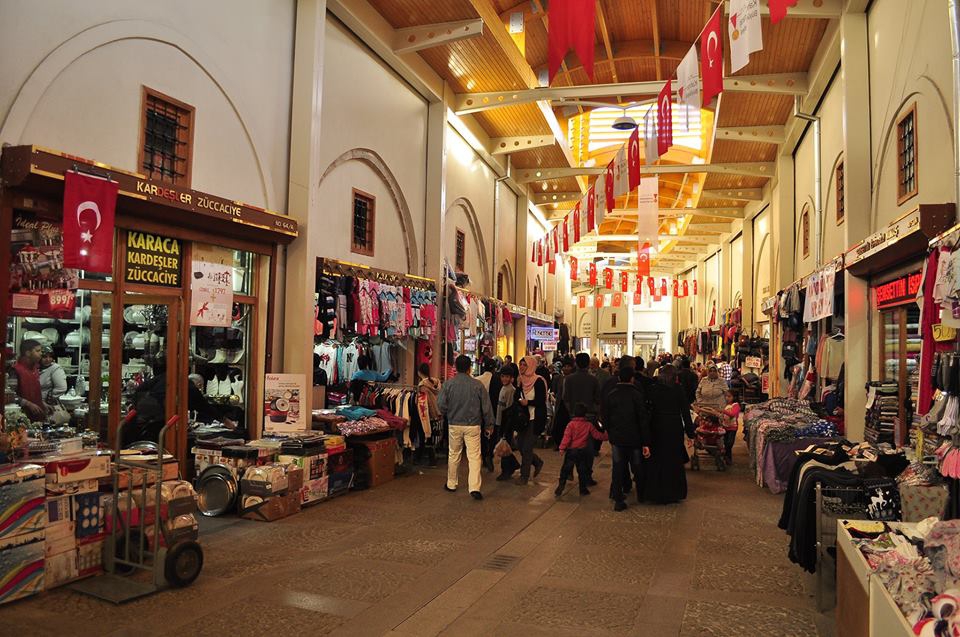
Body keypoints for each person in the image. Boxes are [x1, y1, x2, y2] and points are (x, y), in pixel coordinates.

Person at [438, 355, 494, 500]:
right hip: (473, 425)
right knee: (474, 456)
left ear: (455, 367)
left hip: (454, 424)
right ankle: (474, 487)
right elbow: (486, 407)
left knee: (454, 454)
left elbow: (441, 405)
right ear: (470, 368)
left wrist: (447, 413)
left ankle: (451, 483)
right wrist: (489, 424)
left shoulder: (448, 384)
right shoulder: (477, 385)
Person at [642, 365, 696, 504]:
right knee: (673, 459)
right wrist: (690, 433)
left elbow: (647, 410)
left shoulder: (653, 389)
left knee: (657, 460)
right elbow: (685, 412)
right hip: (673, 427)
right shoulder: (678, 390)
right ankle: (673, 492)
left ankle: (655, 493)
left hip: (657, 426)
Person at [602, 367, 650, 511]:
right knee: (637, 466)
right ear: (632, 379)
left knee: (618, 467)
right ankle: (641, 494)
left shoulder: (612, 394)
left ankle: (618, 497)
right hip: (634, 438)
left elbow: (605, 416)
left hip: (617, 438)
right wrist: (646, 441)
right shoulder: (636, 395)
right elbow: (642, 418)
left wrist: (610, 432)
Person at [556, 402, 608, 497]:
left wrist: (562, 448)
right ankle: (583, 489)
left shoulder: (571, 425)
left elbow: (566, 437)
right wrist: (605, 436)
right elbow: (597, 435)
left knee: (565, 470)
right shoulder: (588, 425)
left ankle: (560, 487)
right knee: (582, 472)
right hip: (582, 451)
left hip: (571, 451)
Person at [515, 355, 546, 484]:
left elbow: (541, 400)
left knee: (527, 447)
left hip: (535, 418)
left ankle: (524, 476)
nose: (521, 367)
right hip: (523, 419)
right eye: (520, 364)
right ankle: (537, 461)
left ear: (531, 366)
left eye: (524, 365)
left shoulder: (538, 381)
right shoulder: (520, 380)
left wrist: (528, 402)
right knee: (520, 445)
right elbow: (517, 397)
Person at [495, 363, 522, 481]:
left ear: (512, 378)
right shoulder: (504, 388)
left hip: (506, 423)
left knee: (505, 446)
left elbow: (509, 409)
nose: (504, 379)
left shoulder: (511, 390)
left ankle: (506, 471)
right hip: (501, 421)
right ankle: (513, 465)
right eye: (502, 376)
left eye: (507, 377)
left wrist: (506, 426)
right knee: (504, 446)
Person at [9, 339, 45, 421]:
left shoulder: (35, 369)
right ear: (28, 353)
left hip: (36, 417)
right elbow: (10, 396)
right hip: (21, 418)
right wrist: (28, 403)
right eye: (38, 351)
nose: (41, 353)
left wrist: (42, 403)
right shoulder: (15, 370)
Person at [416, 363, 441, 465]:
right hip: (437, 412)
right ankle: (432, 457)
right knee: (432, 435)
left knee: (426, 434)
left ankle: (427, 458)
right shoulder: (436, 382)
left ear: (419, 372)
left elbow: (425, 402)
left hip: (427, 413)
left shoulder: (422, 385)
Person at [550, 356, 575, 446]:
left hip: (569, 405)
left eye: (568, 366)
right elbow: (555, 391)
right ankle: (559, 443)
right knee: (559, 424)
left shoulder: (573, 379)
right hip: (560, 404)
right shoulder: (558, 378)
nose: (566, 368)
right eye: (564, 366)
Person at [721, 389, 741, 465]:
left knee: (729, 443)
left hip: (732, 427)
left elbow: (732, 414)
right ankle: (728, 458)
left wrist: (723, 411)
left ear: (734, 397)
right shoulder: (727, 405)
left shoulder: (736, 405)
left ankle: (726, 456)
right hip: (725, 427)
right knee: (726, 443)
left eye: (729, 396)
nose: (727, 398)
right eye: (726, 396)